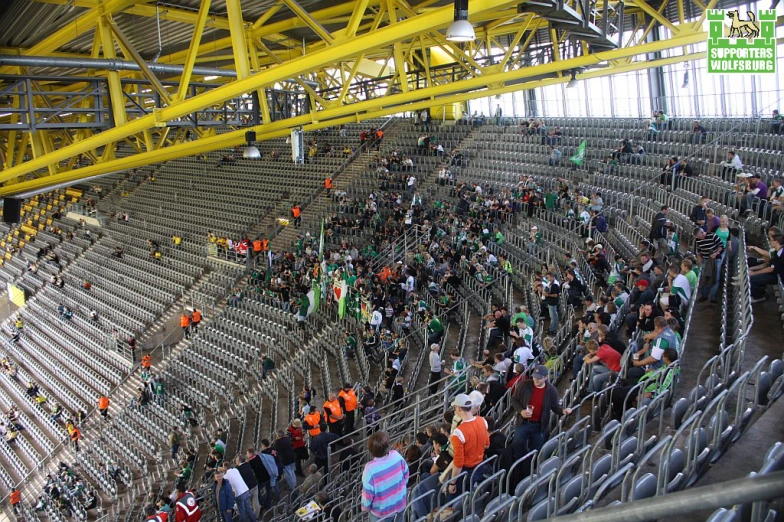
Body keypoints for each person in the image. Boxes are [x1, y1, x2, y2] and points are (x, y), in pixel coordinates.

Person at [510, 365, 572, 455]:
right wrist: (521, 411)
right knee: (516, 448)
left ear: (546, 377)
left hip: (539, 426)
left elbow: (555, 407)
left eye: (539, 378)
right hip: (522, 423)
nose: (536, 379)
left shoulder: (551, 390)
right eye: (535, 377)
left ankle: (532, 467)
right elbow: (514, 400)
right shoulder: (524, 385)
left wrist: (563, 411)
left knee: (535, 451)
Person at [361, 431, 409, 522]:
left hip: (381, 514)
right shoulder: (396, 455)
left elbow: (368, 495)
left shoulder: (370, 469)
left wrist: (365, 508)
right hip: (400, 505)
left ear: (371, 451)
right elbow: (406, 475)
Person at [746, 233, 784, 303]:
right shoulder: (777, 251)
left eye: (771, 240)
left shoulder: (781, 254)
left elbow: (770, 269)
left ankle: (760, 296)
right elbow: (767, 264)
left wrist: (753, 273)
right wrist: (752, 269)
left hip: (775, 276)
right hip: (773, 274)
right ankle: (761, 289)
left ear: (776, 242)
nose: (770, 242)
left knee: (750, 279)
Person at [694, 227, 724, 303]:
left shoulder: (713, 236)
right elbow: (699, 250)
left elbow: (721, 246)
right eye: (697, 237)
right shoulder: (698, 240)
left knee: (715, 278)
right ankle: (704, 295)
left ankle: (713, 297)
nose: (698, 238)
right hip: (705, 260)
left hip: (715, 259)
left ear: (702, 232)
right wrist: (699, 257)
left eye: (699, 236)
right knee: (705, 278)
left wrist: (716, 253)